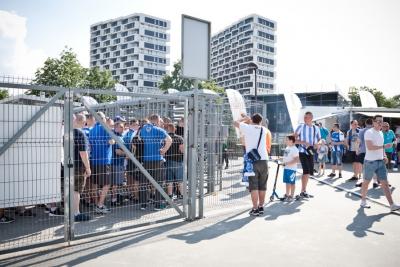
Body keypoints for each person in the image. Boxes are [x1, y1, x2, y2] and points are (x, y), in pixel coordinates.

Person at [360, 115, 400, 212]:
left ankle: (392, 205)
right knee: (366, 182)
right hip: (370, 162)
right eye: (377, 121)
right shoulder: (369, 132)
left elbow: (381, 148)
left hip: (380, 161)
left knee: (385, 184)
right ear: (373, 122)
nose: (379, 123)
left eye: (381, 121)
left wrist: (384, 156)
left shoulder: (381, 133)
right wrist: (384, 146)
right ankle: (363, 201)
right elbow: (370, 147)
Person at [234, 113, 269, 216]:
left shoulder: (247, 128)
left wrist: (244, 118)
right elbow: (256, 126)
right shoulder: (264, 130)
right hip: (264, 159)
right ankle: (261, 206)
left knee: (254, 186)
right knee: (263, 185)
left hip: (252, 160)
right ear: (261, 121)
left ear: (252, 120)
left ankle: (255, 208)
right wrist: (250, 121)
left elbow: (235, 122)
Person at [139, 114, 172, 211]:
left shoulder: (143, 129)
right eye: (160, 121)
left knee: (144, 183)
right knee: (159, 182)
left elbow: (140, 140)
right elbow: (169, 140)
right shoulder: (159, 130)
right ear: (157, 121)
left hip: (146, 159)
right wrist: (164, 150)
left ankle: (143, 204)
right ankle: (158, 204)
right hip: (157, 159)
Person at [89, 112, 115, 215]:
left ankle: (96, 204)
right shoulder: (106, 128)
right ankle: (100, 205)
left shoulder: (92, 130)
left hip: (94, 160)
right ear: (102, 118)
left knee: (95, 183)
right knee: (107, 183)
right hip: (104, 160)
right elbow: (112, 141)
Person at [294, 111, 321, 199]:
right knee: (306, 171)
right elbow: (293, 139)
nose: (305, 119)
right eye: (304, 117)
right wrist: (303, 142)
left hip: (311, 152)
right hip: (302, 151)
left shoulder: (316, 128)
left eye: (307, 117)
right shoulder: (301, 126)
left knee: (309, 172)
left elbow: (320, 139)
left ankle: (304, 190)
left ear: (311, 118)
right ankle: (303, 191)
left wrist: (318, 144)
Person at [72, 114, 92, 221]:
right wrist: (88, 168)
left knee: (71, 189)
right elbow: (83, 153)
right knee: (77, 190)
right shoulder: (80, 133)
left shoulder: (67, 133)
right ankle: (76, 213)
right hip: (79, 166)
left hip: (69, 164)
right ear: (84, 122)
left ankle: (72, 211)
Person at [164, 123, 184, 200]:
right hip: (178, 161)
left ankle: (170, 195)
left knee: (169, 180)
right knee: (180, 180)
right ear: (174, 129)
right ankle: (181, 194)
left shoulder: (166, 138)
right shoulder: (179, 138)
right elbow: (182, 150)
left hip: (168, 160)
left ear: (167, 129)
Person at [355, 118, 375, 187]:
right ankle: (375, 182)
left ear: (366, 123)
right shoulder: (374, 131)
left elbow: (358, 141)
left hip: (363, 151)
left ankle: (364, 182)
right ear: (372, 124)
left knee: (365, 168)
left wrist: (357, 150)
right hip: (372, 151)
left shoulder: (362, 131)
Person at [110, 121, 126, 206]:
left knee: (115, 183)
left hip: (116, 163)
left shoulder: (118, 136)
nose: (123, 129)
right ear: (116, 127)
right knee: (115, 183)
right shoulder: (117, 137)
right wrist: (127, 154)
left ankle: (115, 198)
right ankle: (114, 200)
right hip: (116, 163)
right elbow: (118, 151)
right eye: (121, 127)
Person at [124, 119, 140, 201]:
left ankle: (131, 194)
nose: (137, 126)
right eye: (135, 125)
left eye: (137, 125)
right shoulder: (132, 134)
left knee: (130, 177)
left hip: (129, 158)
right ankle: (135, 196)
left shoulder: (127, 133)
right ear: (130, 125)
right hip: (134, 158)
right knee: (134, 179)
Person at [281, 135, 299, 201]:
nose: (285, 141)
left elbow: (297, 160)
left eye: (287, 140)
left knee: (292, 182)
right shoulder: (287, 147)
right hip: (286, 168)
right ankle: (287, 194)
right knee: (287, 182)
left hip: (292, 169)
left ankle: (291, 196)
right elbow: (286, 157)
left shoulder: (295, 149)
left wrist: (287, 163)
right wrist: (281, 160)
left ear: (291, 141)